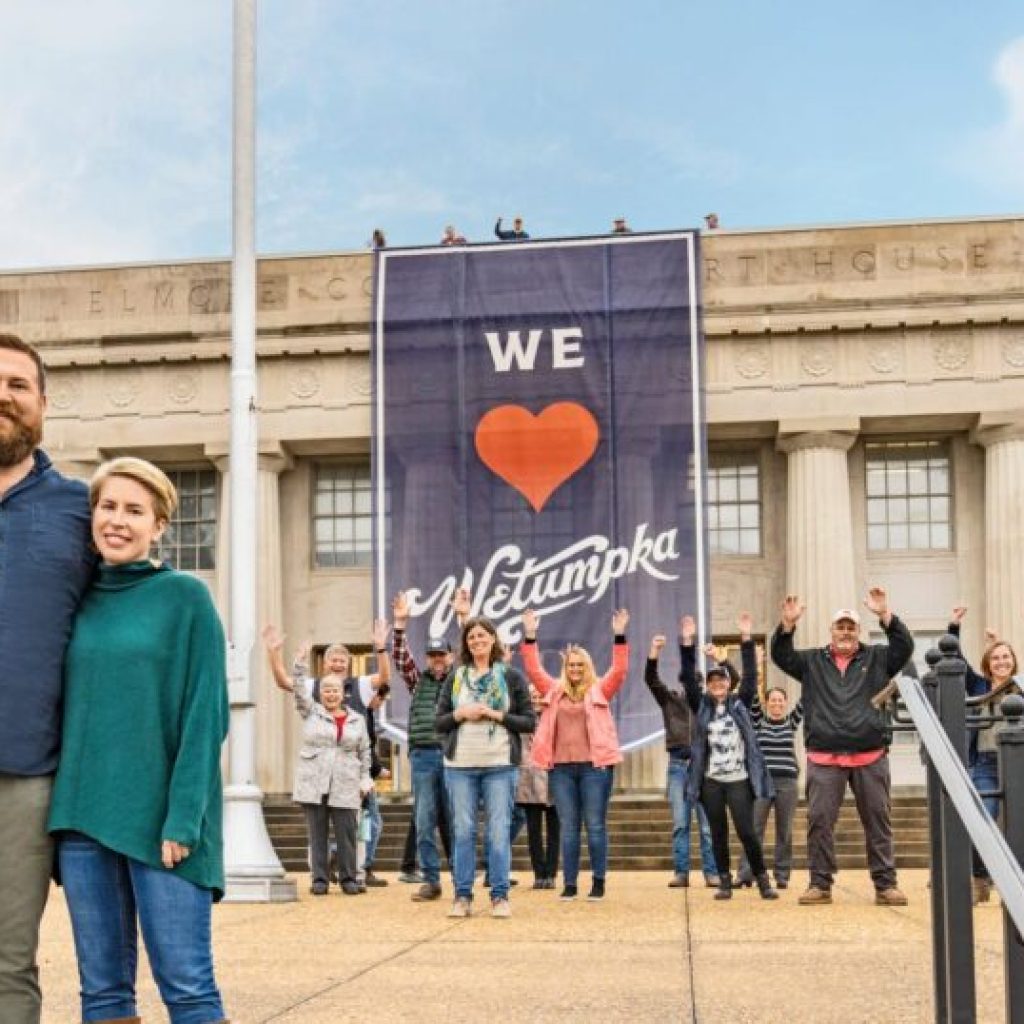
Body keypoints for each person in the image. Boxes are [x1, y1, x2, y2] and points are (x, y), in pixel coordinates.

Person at [47, 457, 229, 1024]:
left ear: (158, 525)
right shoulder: (73, 601)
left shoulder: (186, 599)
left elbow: (207, 715)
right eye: (107, 507)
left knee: (188, 988)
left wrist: (185, 817)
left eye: (134, 510)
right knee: (101, 996)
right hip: (82, 819)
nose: (118, 520)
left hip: (164, 824)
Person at [0, 334, 94, 1024]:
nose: (3, 396)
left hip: (25, 776)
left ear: (42, 405)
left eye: (17, 385)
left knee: (6, 963)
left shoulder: (81, 511)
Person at [771, 588, 914, 907]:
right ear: (832, 631)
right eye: (841, 627)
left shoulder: (877, 657)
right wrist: (787, 626)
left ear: (859, 631)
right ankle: (819, 885)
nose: (846, 632)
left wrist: (886, 616)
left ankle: (885, 885)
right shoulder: (811, 661)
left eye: (851, 627)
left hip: (870, 755)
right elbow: (781, 655)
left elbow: (904, 648)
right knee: (819, 822)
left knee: (878, 821)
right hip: (825, 758)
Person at [521, 607, 629, 902]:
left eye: (581, 666)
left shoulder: (599, 691)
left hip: (595, 769)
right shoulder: (554, 691)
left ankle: (598, 882)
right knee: (569, 827)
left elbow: (619, 671)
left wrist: (619, 635)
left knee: (594, 825)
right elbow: (533, 669)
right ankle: (569, 884)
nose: (576, 671)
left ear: (588, 668)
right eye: (571, 666)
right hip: (562, 770)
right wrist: (530, 634)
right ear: (565, 668)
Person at [435, 617, 536, 918]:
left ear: (493, 639)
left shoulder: (511, 676)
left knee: (498, 831)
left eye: (482, 636)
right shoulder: (456, 677)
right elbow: (438, 722)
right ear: (466, 643)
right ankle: (462, 895)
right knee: (463, 831)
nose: (477, 641)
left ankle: (500, 896)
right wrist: (460, 714)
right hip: (460, 765)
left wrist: (495, 713)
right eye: (471, 637)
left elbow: (529, 721)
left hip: (499, 764)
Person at [677, 614, 778, 901]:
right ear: (708, 686)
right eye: (713, 681)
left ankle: (762, 879)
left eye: (722, 680)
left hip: (738, 780)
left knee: (747, 831)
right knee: (717, 832)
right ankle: (724, 881)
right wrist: (687, 642)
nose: (718, 683)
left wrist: (746, 638)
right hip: (711, 781)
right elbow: (687, 677)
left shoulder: (740, 703)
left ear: (728, 683)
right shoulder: (702, 706)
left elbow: (750, 677)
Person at [948, 606, 1021, 903]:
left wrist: (997, 642)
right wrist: (954, 628)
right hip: (986, 762)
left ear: (1014, 662)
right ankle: (980, 877)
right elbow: (960, 665)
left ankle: (1016, 884)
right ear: (988, 664)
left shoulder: (1021, 687)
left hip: (1018, 761)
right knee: (982, 821)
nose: (1002, 662)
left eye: (1006, 657)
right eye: (996, 658)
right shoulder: (979, 685)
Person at [392, 590, 460, 901]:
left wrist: (462, 616)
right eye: (432, 656)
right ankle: (431, 880)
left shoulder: (459, 680)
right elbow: (401, 658)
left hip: (452, 754)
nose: (437, 661)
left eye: (442, 655)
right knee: (424, 819)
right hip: (422, 756)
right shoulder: (418, 681)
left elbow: (473, 654)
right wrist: (400, 626)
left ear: (450, 656)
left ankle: (462, 878)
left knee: (457, 820)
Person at [288, 651, 372, 896]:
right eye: (326, 690)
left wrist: (366, 778)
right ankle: (320, 879)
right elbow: (298, 691)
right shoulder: (311, 711)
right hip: (314, 780)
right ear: (320, 693)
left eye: (335, 690)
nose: (331, 694)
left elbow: (364, 750)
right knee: (318, 833)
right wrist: (300, 665)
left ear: (343, 693)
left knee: (347, 833)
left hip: (346, 781)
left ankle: (348, 878)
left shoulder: (357, 719)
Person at [644, 624, 719, 889]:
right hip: (677, 766)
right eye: (690, 682)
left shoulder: (709, 705)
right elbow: (651, 680)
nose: (694, 686)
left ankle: (711, 872)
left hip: (704, 768)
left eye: (698, 683)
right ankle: (681, 872)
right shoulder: (670, 701)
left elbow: (731, 686)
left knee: (708, 826)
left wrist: (717, 660)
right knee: (680, 824)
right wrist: (654, 652)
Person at [736, 681, 804, 890]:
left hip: (787, 783)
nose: (776, 703)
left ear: (785, 703)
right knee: (754, 829)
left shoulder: (791, 722)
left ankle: (782, 874)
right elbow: (752, 694)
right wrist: (755, 665)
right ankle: (747, 873)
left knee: (785, 831)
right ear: (767, 704)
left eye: (780, 700)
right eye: (772, 700)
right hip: (762, 783)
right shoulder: (759, 721)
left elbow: (806, 700)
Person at [517, 685, 560, 889]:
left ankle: (551, 873)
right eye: (532, 696)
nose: (535, 699)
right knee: (533, 832)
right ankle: (538, 873)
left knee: (554, 830)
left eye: (539, 696)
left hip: (553, 780)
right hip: (529, 781)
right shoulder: (522, 720)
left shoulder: (554, 719)